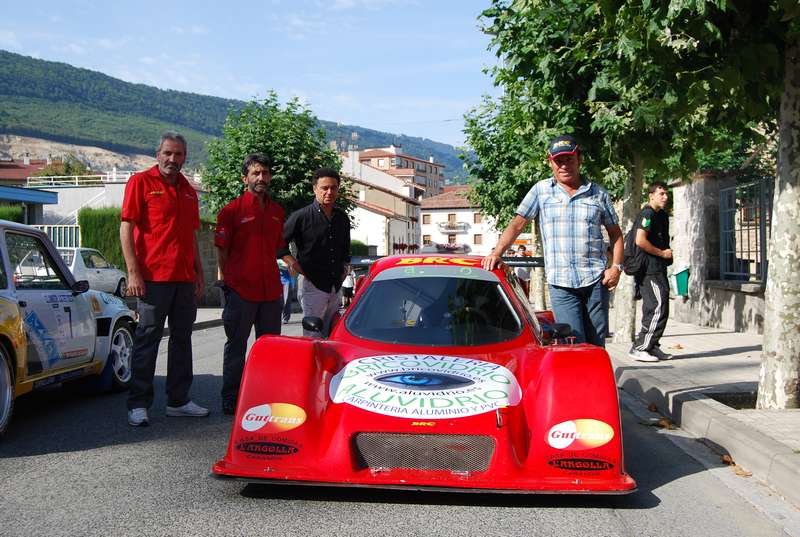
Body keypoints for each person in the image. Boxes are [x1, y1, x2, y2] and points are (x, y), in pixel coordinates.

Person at [482, 134, 624, 346]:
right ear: (550, 162)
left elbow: (616, 234)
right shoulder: (541, 191)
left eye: (569, 159)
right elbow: (516, 225)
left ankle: (594, 380)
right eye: (558, 161)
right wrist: (497, 253)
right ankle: (574, 381)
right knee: (572, 342)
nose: (564, 165)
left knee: (596, 343)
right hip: (561, 283)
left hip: (596, 280)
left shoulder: (598, 194)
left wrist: (616, 267)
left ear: (579, 159)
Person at [121, 132, 208, 426]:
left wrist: (199, 273)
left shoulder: (188, 190)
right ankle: (138, 404)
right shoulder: (140, 183)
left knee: (182, 340)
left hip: (184, 278)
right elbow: (126, 228)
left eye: (179, 154)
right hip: (152, 278)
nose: (173, 159)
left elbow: (192, 236)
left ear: (185, 157)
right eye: (168, 153)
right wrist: (133, 272)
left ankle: (179, 400)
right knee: (147, 339)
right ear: (158, 154)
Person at [215, 153, 291, 415]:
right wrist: (228, 281)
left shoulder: (277, 212)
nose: (261, 178)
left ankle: (265, 396)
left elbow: (279, 247)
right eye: (256, 173)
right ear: (244, 177)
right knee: (236, 346)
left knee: (270, 350)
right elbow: (221, 251)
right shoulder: (231, 211)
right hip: (241, 291)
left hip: (270, 291)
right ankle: (231, 396)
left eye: (265, 173)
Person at [283, 168, 351, 337]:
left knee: (334, 335)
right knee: (313, 336)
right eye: (324, 188)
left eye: (334, 188)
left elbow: (345, 250)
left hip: (335, 287)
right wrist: (294, 264)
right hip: (312, 285)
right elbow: (278, 244)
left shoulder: (342, 218)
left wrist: (344, 269)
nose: (329, 192)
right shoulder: (301, 217)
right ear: (315, 189)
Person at [628, 182, 673, 362]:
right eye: (661, 194)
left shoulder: (661, 215)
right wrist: (662, 253)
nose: (665, 197)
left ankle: (652, 346)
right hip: (648, 269)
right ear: (651, 196)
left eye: (666, 194)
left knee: (659, 306)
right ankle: (640, 347)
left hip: (658, 268)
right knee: (657, 306)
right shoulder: (647, 214)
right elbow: (640, 240)